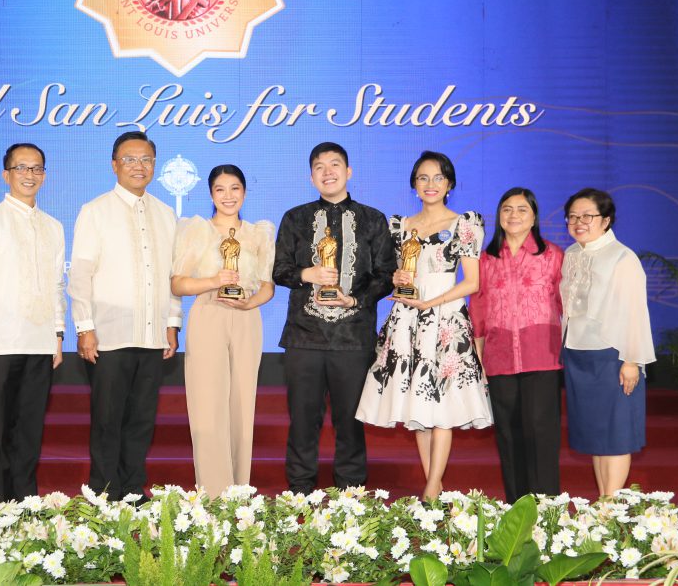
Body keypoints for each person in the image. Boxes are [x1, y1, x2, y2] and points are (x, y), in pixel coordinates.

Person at [356, 150, 492, 501]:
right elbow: (396, 274)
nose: (430, 184)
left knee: (443, 404)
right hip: (407, 319)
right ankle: (433, 481)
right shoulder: (400, 226)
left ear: (449, 184)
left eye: (437, 178)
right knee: (418, 405)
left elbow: (472, 282)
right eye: (423, 178)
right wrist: (399, 277)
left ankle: (433, 485)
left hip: (445, 317)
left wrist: (431, 303)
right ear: (414, 185)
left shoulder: (465, 223)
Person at [273, 141, 396, 494]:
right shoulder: (294, 218)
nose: (328, 172)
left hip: (353, 339)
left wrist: (355, 299)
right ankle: (299, 490)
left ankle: (351, 492)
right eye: (319, 167)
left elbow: (386, 274)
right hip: (303, 337)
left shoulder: (373, 219)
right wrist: (305, 275)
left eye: (335, 164)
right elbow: (279, 271)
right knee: (302, 420)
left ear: (349, 172)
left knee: (351, 421)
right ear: (311, 177)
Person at [68, 131, 181, 502]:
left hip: (152, 337)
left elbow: (172, 277)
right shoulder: (95, 211)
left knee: (141, 420)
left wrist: (172, 323)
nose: (139, 166)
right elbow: (81, 273)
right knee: (107, 420)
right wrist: (85, 327)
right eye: (130, 159)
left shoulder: (167, 215)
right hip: (109, 336)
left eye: (146, 159)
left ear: (155, 165)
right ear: (114, 165)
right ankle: (103, 492)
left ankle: (133, 489)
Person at [0, 142, 65, 501]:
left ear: (45, 175)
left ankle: (24, 501)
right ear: (6, 175)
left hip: (39, 342)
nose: (29, 175)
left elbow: (56, 285)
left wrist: (57, 335)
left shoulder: (54, 227)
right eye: (22, 168)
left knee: (30, 428)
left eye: (36, 168)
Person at [171, 165, 275, 497]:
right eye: (220, 189)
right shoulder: (196, 230)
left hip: (246, 318)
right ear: (211, 194)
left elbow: (268, 286)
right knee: (207, 405)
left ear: (244, 192)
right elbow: (178, 283)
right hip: (208, 314)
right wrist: (214, 282)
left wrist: (250, 302)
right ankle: (213, 494)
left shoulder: (258, 234)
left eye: (234, 188)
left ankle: (239, 492)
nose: (228, 196)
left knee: (242, 405)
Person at [469, 187, 564, 504]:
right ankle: (517, 507)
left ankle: (547, 509)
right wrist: (479, 351)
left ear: (534, 216)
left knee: (541, 433)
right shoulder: (487, 258)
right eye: (507, 209)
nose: (513, 215)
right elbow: (478, 306)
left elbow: (567, 303)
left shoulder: (552, 255)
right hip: (499, 356)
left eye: (522, 209)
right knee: (508, 435)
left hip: (543, 355)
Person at [560, 188, 655, 497]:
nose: (579, 222)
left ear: (606, 220)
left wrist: (631, 360)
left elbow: (634, 312)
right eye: (573, 217)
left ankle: (609, 506)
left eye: (587, 216)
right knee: (596, 437)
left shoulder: (622, 257)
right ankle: (604, 498)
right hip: (577, 354)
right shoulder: (571, 254)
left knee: (615, 435)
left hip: (612, 355)